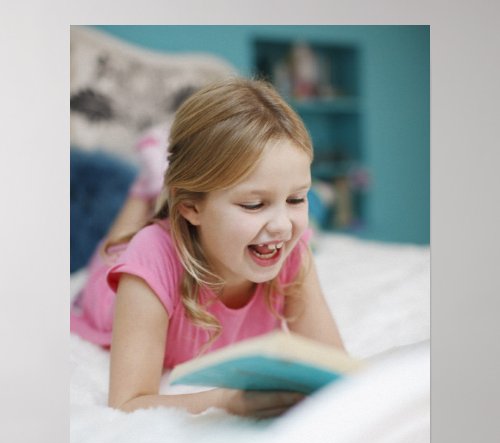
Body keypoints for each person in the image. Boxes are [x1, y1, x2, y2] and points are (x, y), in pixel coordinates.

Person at [70, 77, 345, 419]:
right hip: (112, 299)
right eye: (254, 204)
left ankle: (162, 181)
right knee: (114, 249)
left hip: (186, 210)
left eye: (296, 198)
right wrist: (226, 401)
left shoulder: (294, 252)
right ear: (191, 207)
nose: (282, 226)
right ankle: (147, 184)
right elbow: (128, 402)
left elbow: (335, 367)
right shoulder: (151, 256)